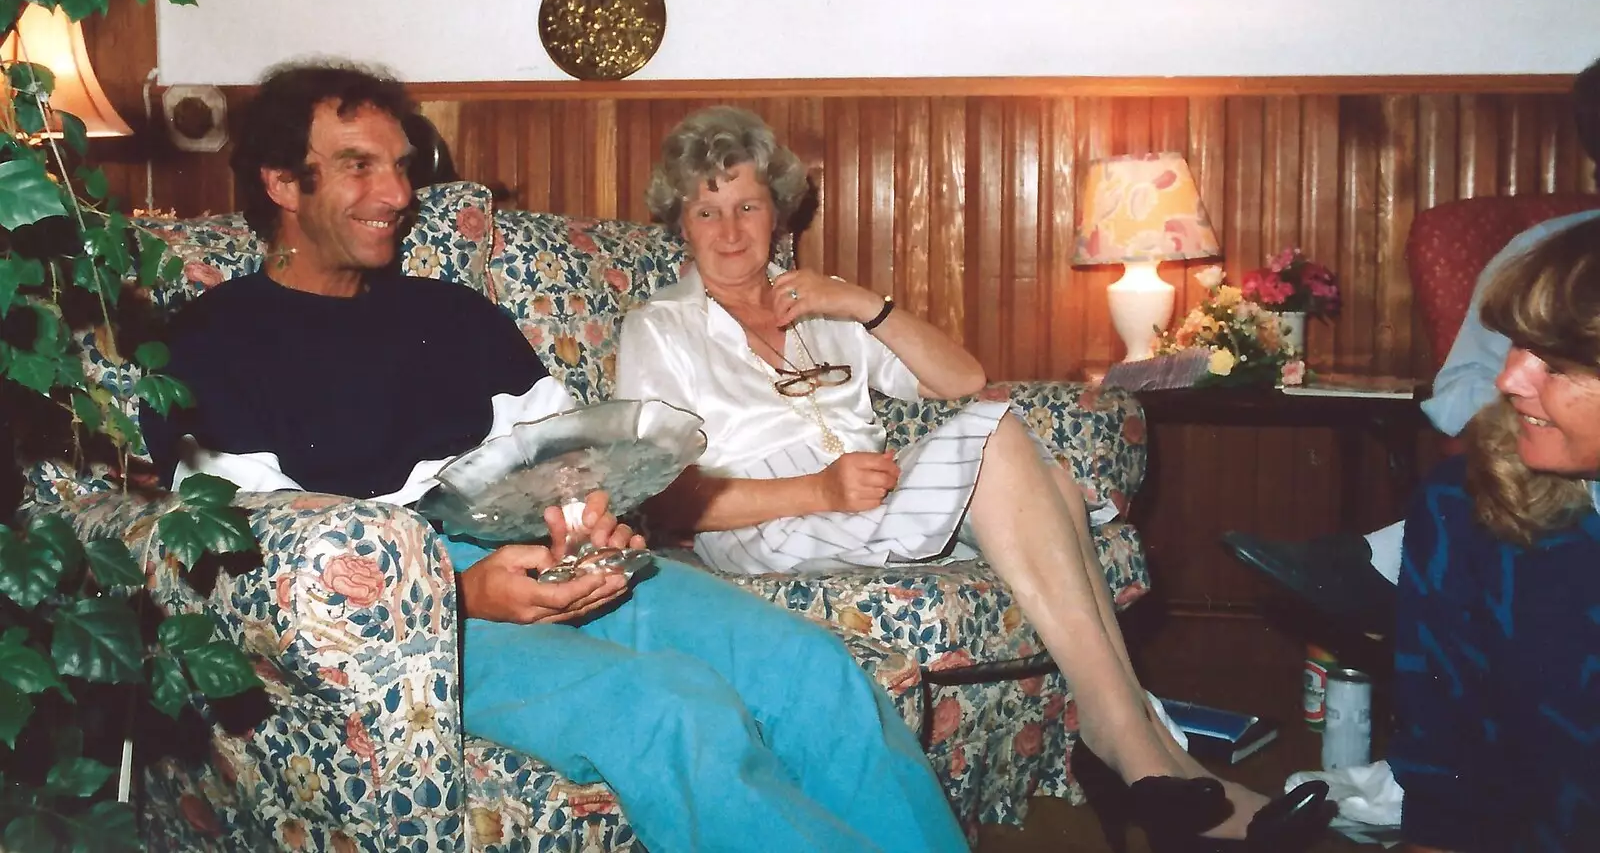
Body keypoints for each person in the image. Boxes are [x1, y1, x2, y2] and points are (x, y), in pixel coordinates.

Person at [139, 61, 971, 853]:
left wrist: (587, 524)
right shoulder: (210, 344)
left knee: (809, 665)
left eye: (399, 166)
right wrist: (458, 597)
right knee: (672, 709)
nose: (395, 194)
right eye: (358, 167)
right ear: (283, 183)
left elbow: (572, 452)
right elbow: (250, 555)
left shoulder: (456, 317)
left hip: (538, 557)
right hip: (409, 623)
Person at [614, 106, 1333, 850]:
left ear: (777, 212)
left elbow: (963, 378)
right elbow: (662, 499)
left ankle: (1163, 764)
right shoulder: (661, 328)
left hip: (861, 504)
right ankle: (1128, 747)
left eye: (748, 207)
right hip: (760, 518)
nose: (731, 233)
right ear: (682, 223)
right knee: (999, 435)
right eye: (708, 211)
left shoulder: (817, 306)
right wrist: (816, 491)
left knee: (1044, 478)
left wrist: (864, 305)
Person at [1222, 54, 1600, 633]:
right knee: (1462, 495)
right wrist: (1538, 425)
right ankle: (1380, 564)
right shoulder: (1546, 258)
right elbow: (1463, 390)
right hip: (1558, 475)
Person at [1389, 218, 1600, 851]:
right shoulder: (1469, 504)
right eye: (1514, 346)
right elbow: (1443, 756)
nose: (1508, 380)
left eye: (1556, 364)